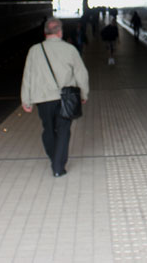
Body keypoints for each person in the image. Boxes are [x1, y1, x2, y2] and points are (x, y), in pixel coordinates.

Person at [21, 17, 89, 178]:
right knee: (64, 131)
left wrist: (26, 100)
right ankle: (58, 166)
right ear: (60, 32)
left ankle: (55, 160)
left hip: (43, 99)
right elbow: (81, 73)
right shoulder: (70, 49)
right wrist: (83, 94)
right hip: (66, 98)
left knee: (49, 130)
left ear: (45, 32)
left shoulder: (34, 51)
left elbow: (27, 76)